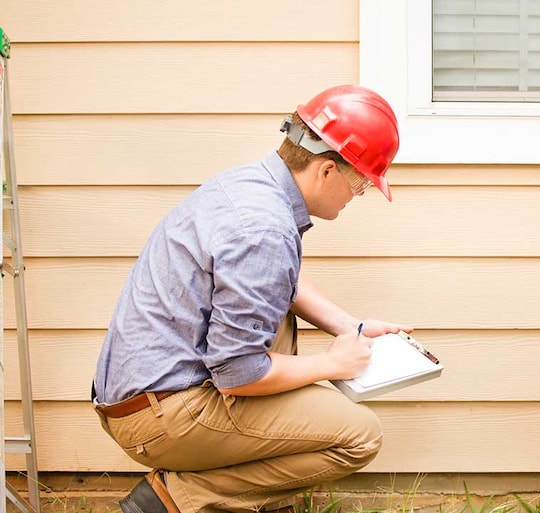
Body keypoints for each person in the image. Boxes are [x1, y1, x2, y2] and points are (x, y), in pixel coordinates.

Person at [92, 84, 410, 513]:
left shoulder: (253, 185)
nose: (360, 194)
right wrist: (332, 364)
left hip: (146, 391)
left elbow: (280, 283)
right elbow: (238, 373)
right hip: (159, 416)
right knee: (360, 436)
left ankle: (250, 499)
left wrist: (349, 327)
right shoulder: (262, 230)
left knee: (276, 317)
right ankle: (171, 500)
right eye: (362, 182)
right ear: (327, 170)